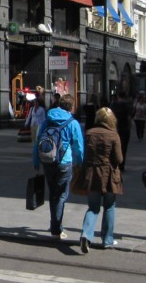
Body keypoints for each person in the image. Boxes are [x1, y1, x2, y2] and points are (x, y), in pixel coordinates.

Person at [32, 94, 84, 240]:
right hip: (64, 163)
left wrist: (36, 161)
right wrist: (80, 163)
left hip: (48, 161)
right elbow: (79, 146)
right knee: (61, 195)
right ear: (72, 107)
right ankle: (56, 229)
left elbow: (38, 142)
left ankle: (54, 224)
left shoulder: (48, 120)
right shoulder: (73, 123)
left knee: (53, 194)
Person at [78, 107, 124, 253]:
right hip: (110, 176)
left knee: (93, 207)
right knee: (109, 207)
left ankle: (86, 234)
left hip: (92, 175)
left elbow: (84, 156)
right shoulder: (113, 135)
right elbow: (119, 159)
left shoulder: (89, 133)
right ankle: (107, 240)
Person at [110, 90, 133, 171]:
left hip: (115, 128)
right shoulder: (128, 105)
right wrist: (129, 127)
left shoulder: (113, 105)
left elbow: (111, 117)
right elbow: (129, 118)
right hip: (124, 128)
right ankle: (122, 165)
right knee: (123, 147)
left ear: (118, 96)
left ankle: (115, 163)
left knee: (114, 146)